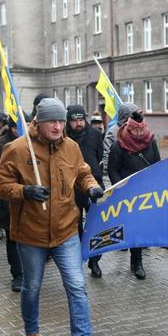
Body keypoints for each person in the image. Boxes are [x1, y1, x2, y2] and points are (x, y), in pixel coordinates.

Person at [0, 97, 107, 336]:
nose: (58, 126)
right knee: (32, 288)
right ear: (38, 122)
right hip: (30, 234)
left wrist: (91, 186)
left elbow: (83, 173)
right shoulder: (18, 149)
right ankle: (32, 332)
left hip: (66, 231)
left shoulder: (72, 147)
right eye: (51, 121)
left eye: (61, 121)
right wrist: (24, 192)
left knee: (77, 287)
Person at [107, 106, 161, 280]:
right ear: (128, 128)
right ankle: (97, 258)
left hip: (145, 193)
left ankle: (136, 262)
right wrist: (121, 188)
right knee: (127, 227)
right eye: (135, 130)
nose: (138, 133)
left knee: (140, 227)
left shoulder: (151, 142)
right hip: (127, 193)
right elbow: (112, 170)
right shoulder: (119, 145)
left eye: (141, 130)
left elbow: (158, 165)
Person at [0, 115, 26, 292]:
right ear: (12, 128)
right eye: (20, 126)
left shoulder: (35, 143)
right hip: (9, 201)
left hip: (32, 201)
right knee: (13, 238)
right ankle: (17, 274)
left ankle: (31, 272)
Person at [65, 105, 105, 278]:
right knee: (75, 226)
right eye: (74, 120)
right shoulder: (63, 137)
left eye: (81, 120)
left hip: (92, 186)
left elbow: (99, 156)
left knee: (96, 224)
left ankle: (94, 261)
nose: (78, 123)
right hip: (70, 187)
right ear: (68, 121)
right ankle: (77, 259)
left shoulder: (95, 134)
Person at [102, 102, 139, 173]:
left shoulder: (137, 130)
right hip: (118, 173)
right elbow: (106, 155)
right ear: (126, 117)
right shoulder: (112, 133)